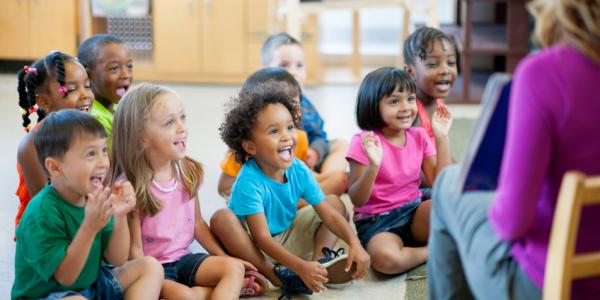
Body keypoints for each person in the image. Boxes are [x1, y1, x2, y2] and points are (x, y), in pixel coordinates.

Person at [427, 0, 600, 298]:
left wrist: (502, 193)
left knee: (446, 184)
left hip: (550, 282)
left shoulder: (545, 73)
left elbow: (511, 223)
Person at [210, 81, 370, 299]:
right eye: (274, 131)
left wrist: (355, 243)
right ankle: (277, 276)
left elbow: (328, 214)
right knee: (221, 218)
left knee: (334, 203)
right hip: (256, 247)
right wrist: (298, 266)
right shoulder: (249, 180)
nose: (286, 136)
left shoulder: (298, 168)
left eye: (290, 127)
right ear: (250, 146)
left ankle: (317, 267)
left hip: (288, 236)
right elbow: (262, 238)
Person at [111, 83, 267, 299]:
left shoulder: (187, 171)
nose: (181, 127)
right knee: (185, 296)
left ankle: (215, 289)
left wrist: (225, 258)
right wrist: (146, 284)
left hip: (185, 259)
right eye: (169, 122)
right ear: (141, 136)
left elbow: (198, 225)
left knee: (234, 269)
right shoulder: (131, 187)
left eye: (182, 117)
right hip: (156, 270)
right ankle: (210, 292)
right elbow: (135, 251)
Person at [12, 109, 163, 300]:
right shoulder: (41, 214)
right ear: (55, 167)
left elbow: (117, 258)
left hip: (90, 286)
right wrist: (89, 227)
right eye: (91, 154)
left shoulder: (94, 198)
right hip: (48, 295)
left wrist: (119, 215)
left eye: (104, 151)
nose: (103, 163)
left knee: (150, 266)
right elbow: (66, 277)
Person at [346, 67, 452, 275]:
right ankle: (435, 250)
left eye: (410, 99)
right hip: (378, 223)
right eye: (394, 101)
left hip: (414, 211)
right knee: (386, 260)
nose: (405, 107)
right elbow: (357, 199)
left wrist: (441, 137)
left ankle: (424, 247)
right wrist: (373, 166)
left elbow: (441, 185)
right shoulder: (363, 141)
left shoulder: (419, 135)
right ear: (373, 105)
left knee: (453, 205)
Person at [218, 67, 347, 201]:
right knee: (224, 217)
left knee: (339, 179)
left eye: (295, 106)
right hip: (261, 207)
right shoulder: (243, 149)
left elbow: (300, 176)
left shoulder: (299, 138)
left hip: (291, 199)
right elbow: (224, 187)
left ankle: (297, 205)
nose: (290, 114)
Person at [15, 51, 93, 229]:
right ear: (44, 101)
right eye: (72, 89)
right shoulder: (31, 146)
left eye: (88, 86)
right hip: (47, 227)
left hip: (82, 214)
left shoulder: (89, 131)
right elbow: (43, 208)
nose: (85, 94)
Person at [261, 32, 348, 174]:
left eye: (299, 65)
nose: (293, 72)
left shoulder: (306, 104)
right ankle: (321, 183)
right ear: (265, 71)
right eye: (284, 65)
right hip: (280, 164)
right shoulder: (264, 106)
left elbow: (320, 135)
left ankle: (328, 177)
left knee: (341, 144)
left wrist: (315, 152)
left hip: (307, 160)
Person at [403, 27, 458, 148]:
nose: (445, 70)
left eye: (451, 63)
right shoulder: (412, 114)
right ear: (410, 72)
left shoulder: (438, 101)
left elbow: (441, 152)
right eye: (433, 64)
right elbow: (416, 164)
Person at [78, 34, 133, 149]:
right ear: (88, 75)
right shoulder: (93, 120)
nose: (126, 75)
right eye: (114, 68)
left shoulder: (119, 108)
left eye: (129, 66)